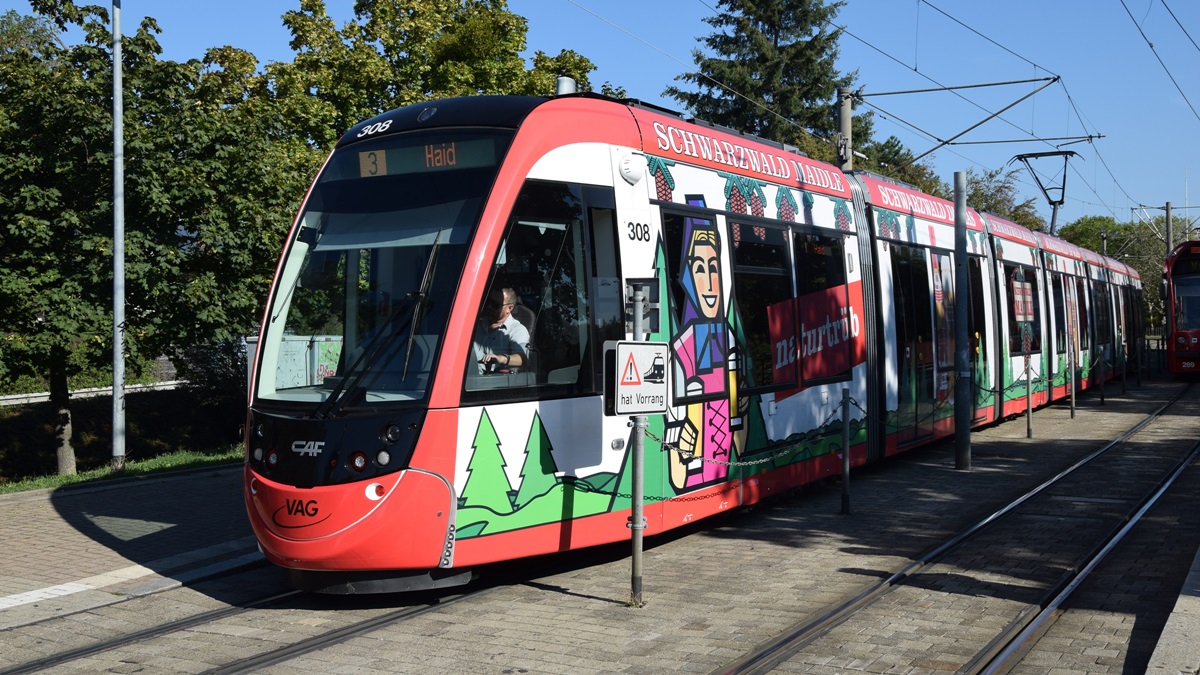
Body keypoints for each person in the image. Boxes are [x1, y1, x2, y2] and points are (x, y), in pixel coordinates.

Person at [472, 287, 530, 374]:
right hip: (467, 377)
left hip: (495, 380)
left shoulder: (517, 330)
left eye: (495, 305)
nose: (489, 307)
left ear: (509, 308)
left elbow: (522, 358)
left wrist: (501, 358)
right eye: (488, 302)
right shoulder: (476, 324)